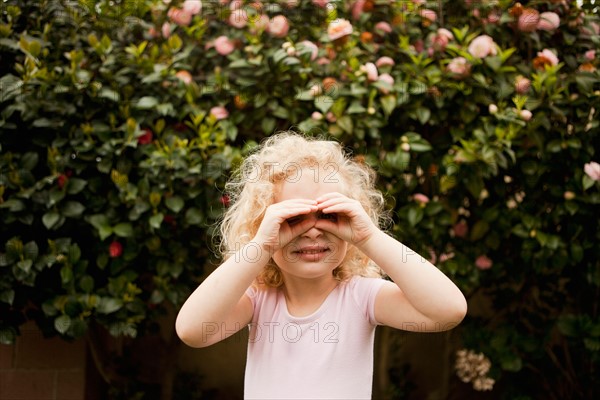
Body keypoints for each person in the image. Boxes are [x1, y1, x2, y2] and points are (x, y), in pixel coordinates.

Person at [176, 132, 467, 399]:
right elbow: (192, 330)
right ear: (262, 225)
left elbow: (448, 311)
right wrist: (262, 245)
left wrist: (368, 237)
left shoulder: (361, 298)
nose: (313, 231)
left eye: (331, 216)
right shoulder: (258, 300)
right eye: (293, 219)